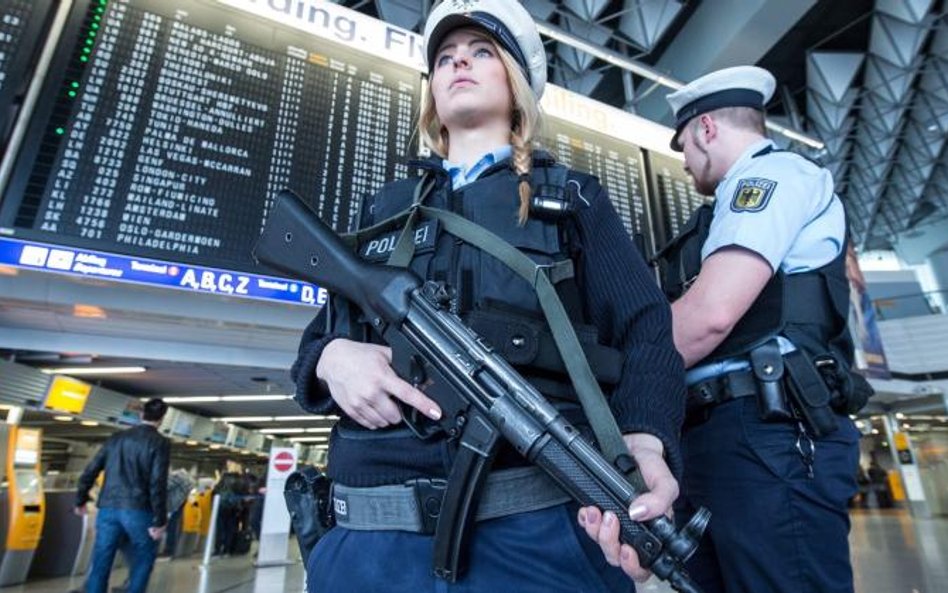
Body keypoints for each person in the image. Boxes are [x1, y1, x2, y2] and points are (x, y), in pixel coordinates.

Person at [290, 1, 685, 591]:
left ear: (516, 82)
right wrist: (330, 361)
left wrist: (646, 442)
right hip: (368, 539)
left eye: (480, 54)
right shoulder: (385, 209)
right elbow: (321, 339)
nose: (459, 65)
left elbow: (646, 328)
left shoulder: (571, 198)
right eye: (445, 58)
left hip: (534, 533)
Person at [585, 66, 864, 592]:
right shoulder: (717, 214)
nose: (685, 164)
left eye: (684, 147)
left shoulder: (771, 177)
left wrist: (602, 373)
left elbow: (709, 315)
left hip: (765, 433)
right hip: (720, 433)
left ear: (706, 129)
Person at [74, 398, 171, 593]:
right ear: (161, 419)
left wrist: (80, 500)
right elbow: (157, 482)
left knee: (102, 558)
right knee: (143, 557)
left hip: (108, 508)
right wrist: (159, 520)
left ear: (141, 415)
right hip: (139, 510)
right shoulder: (160, 442)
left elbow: (91, 470)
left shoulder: (116, 438)